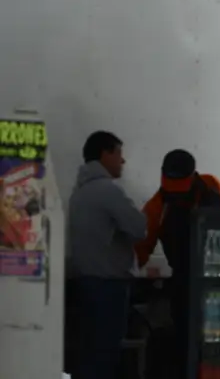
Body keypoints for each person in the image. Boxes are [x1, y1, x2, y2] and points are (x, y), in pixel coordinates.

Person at [134, 149, 220, 376]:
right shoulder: (156, 207)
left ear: (193, 176)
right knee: (187, 344)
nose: (175, 196)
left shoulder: (212, 186)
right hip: (185, 285)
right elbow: (141, 247)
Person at [67, 131, 147, 379]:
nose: (122, 162)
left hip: (86, 281)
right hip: (109, 285)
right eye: (119, 154)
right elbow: (139, 227)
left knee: (90, 353)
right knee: (105, 355)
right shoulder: (109, 191)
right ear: (105, 154)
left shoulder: (79, 192)